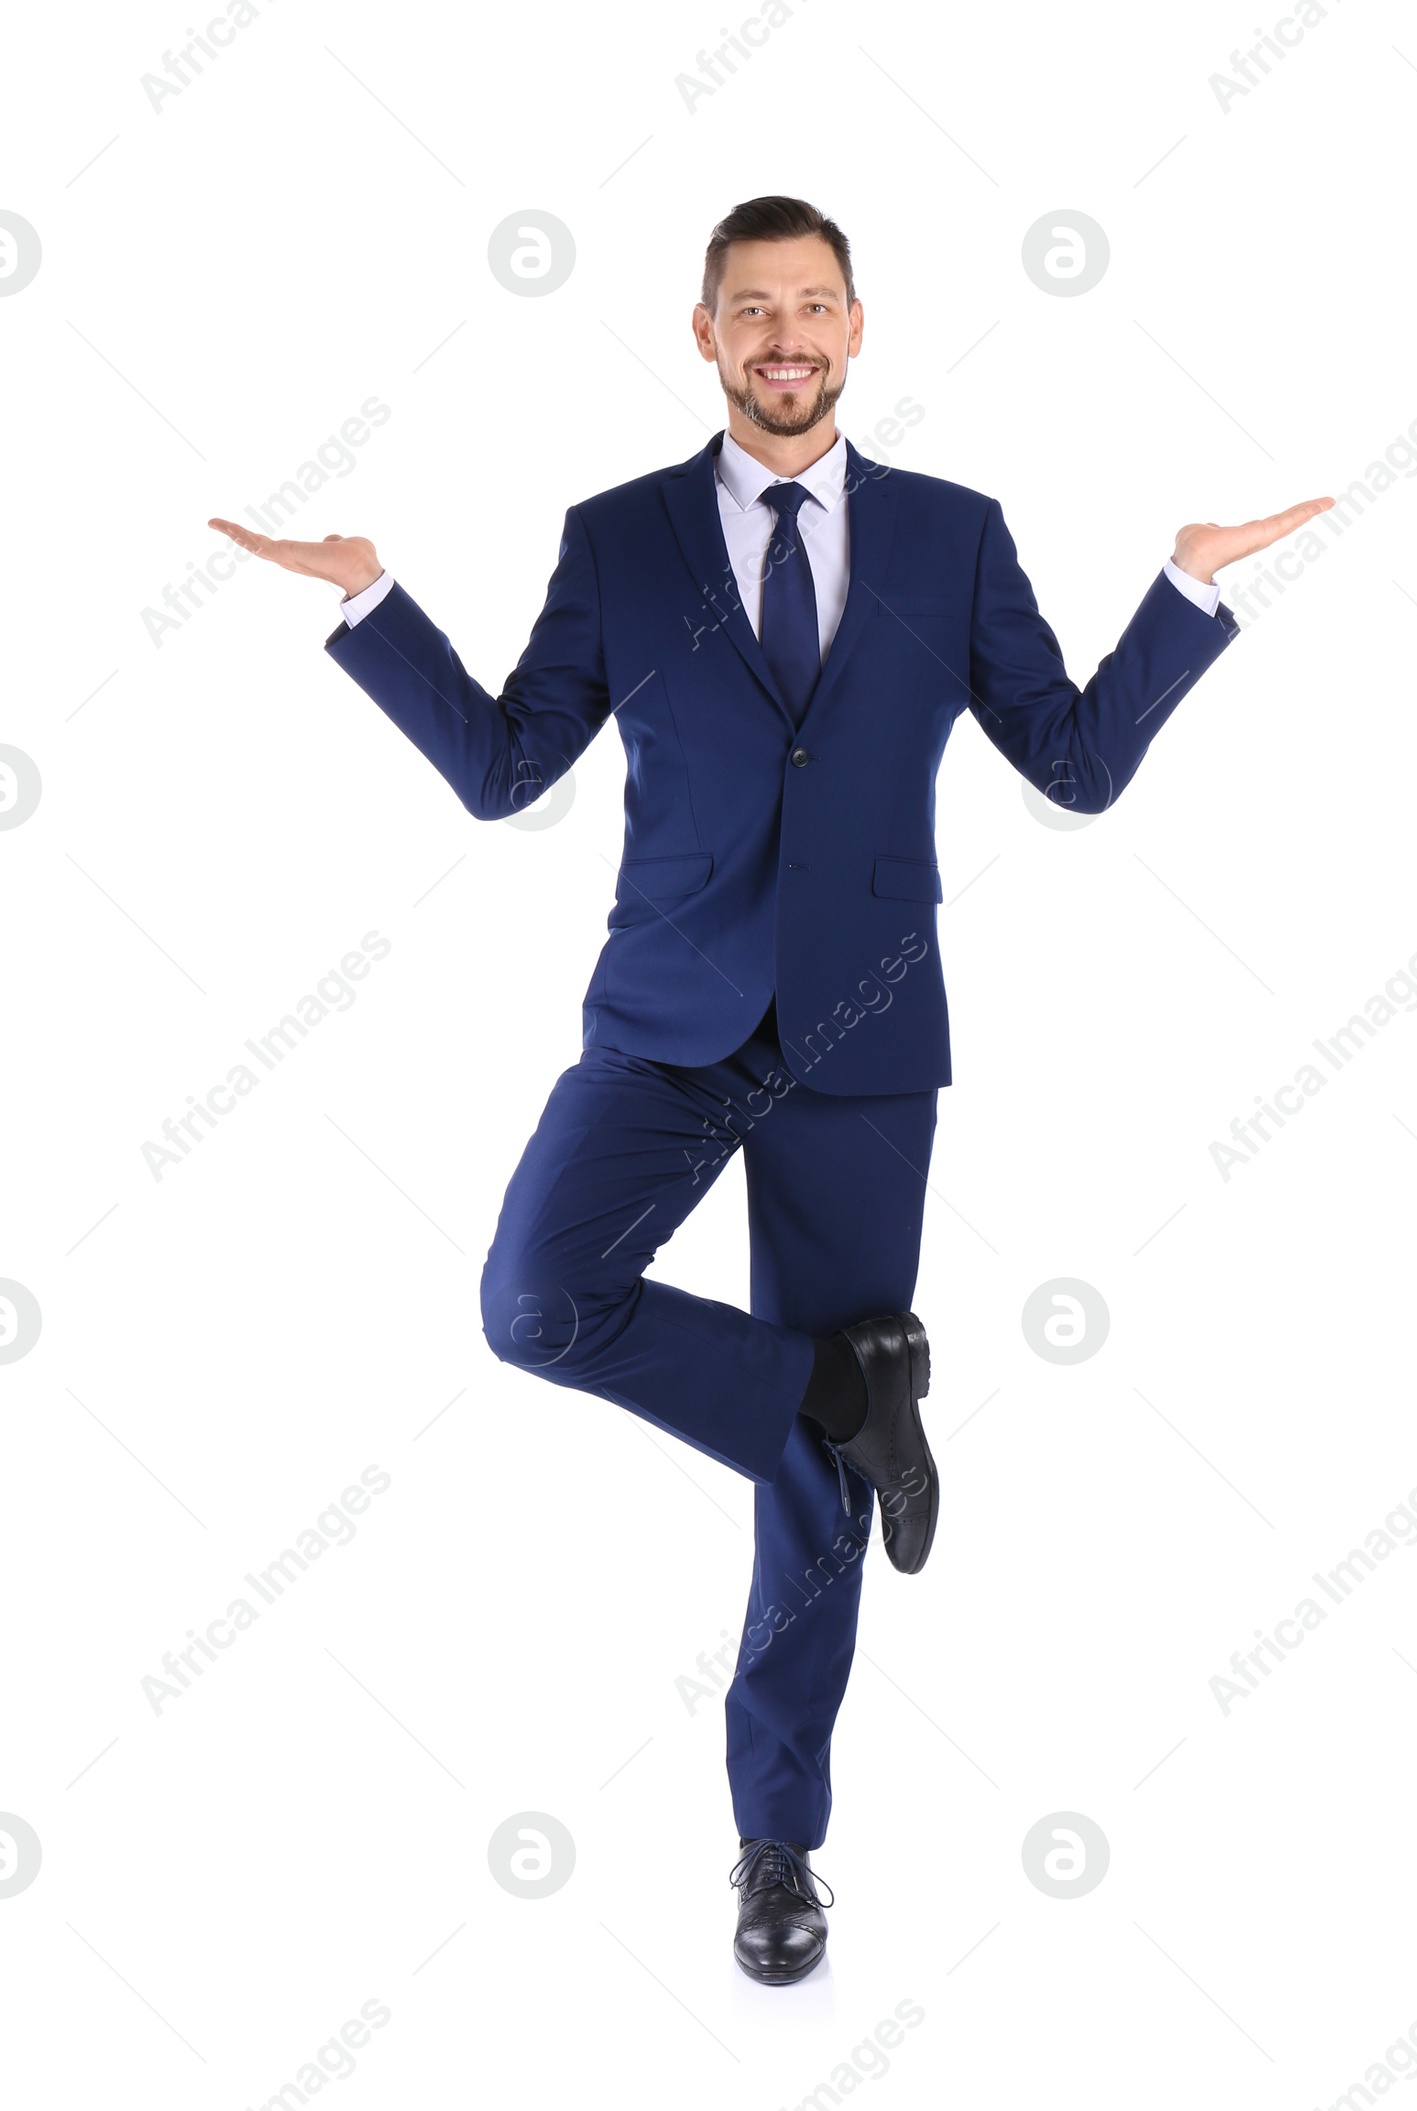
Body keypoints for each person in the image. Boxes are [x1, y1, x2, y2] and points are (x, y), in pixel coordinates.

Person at [210, 193, 1330, 1987]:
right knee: (535, 1303)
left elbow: (1075, 766)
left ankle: (778, 1845)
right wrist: (373, 602)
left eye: (815, 306)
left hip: (867, 1035)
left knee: (807, 1502)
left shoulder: (953, 539)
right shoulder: (619, 538)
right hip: (667, 1018)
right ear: (706, 333)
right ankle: (838, 1386)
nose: (785, 336)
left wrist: (1186, 584)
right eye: (753, 309)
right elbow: (509, 770)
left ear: (859, 330)